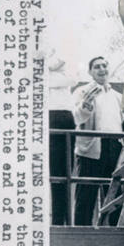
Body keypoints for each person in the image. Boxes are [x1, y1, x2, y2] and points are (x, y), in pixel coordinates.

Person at [72, 57, 123, 226]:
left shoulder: (117, 96)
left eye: (104, 66)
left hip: (115, 146)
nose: (101, 69)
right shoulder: (82, 91)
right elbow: (77, 118)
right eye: (96, 67)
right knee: (86, 195)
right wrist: (86, 104)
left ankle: (117, 236)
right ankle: (80, 234)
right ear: (90, 72)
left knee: (115, 195)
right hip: (92, 147)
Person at [47, 52, 76, 225]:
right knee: (53, 173)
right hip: (48, 114)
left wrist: (56, 63)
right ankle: (56, 218)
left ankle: (61, 218)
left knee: (64, 172)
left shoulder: (63, 73)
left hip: (64, 115)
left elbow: (72, 76)